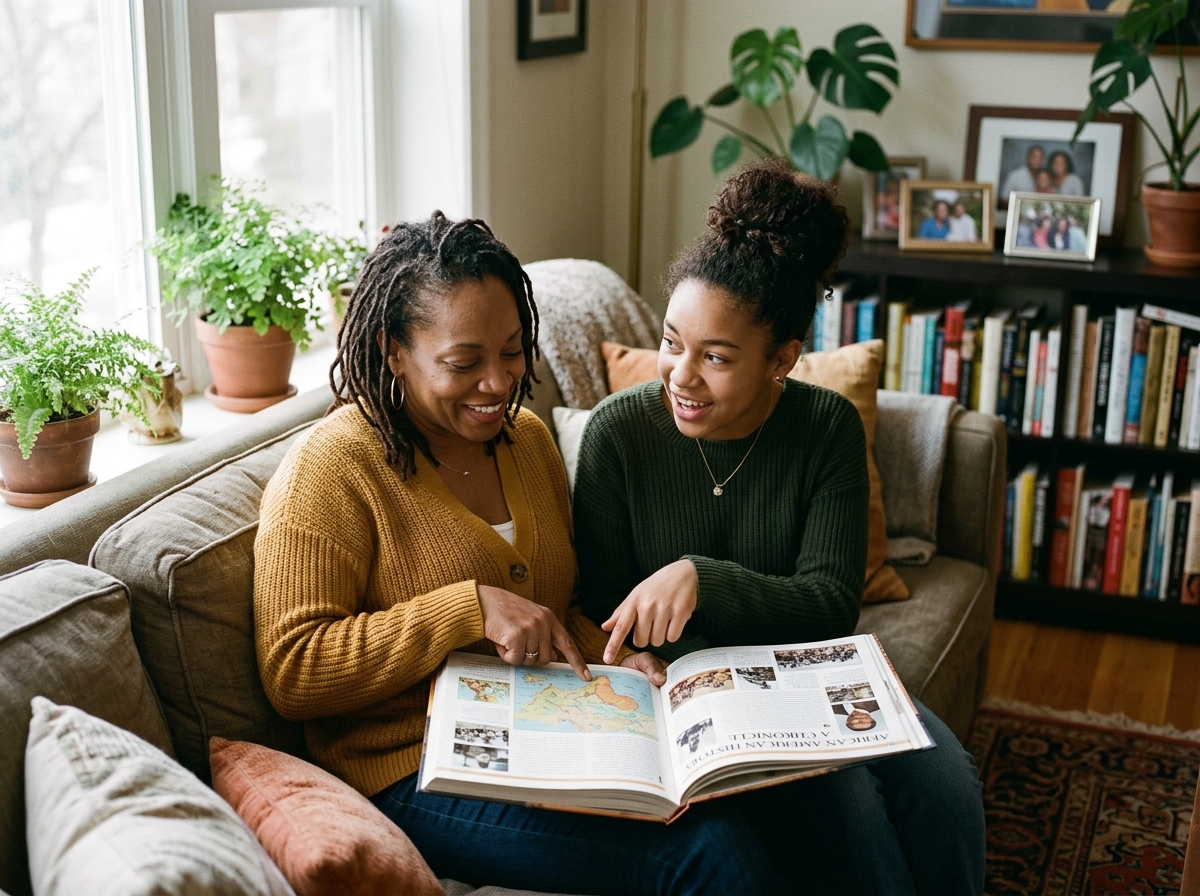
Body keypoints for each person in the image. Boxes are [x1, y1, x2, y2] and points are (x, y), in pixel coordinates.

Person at [254, 211, 803, 895]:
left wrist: (618, 663)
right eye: (463, 362)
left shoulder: (529, 441)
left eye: (512, 351)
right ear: (392, 348)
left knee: (746, 805)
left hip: (547, 733)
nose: (497, 382)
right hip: (414, 767)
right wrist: (469, 609)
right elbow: (294, 670)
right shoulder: (332, 469)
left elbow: (558, 607)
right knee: (708, 854)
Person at [573, 159, 986, 896]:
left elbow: (830, 601)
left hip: (812, 669)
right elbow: (604, 600)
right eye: (672, 343)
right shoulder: (616, 434)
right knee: (850, 804)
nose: (680, 375)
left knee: (946, 782)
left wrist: (703, 577)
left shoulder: (824, 426)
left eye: (716, 357)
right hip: (691, 686)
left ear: (783, 359)